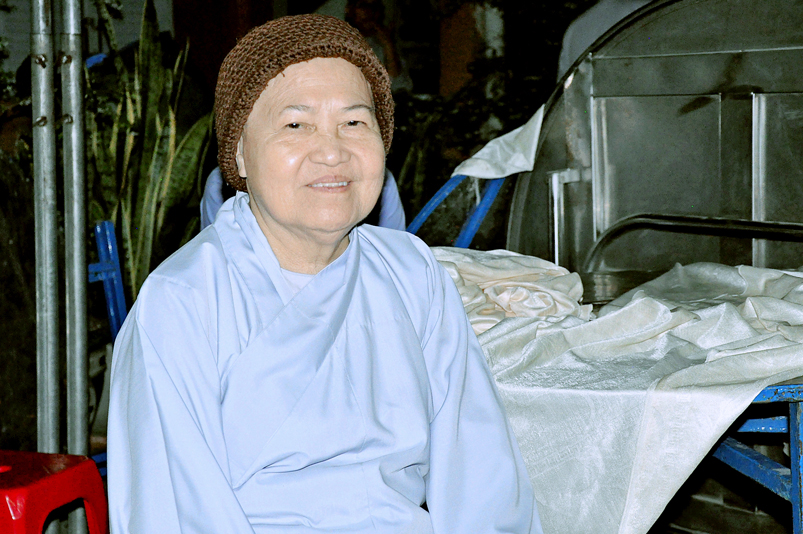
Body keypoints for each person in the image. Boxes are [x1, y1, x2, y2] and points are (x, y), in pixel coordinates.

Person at [107, 14, 541, 534]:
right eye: (296, 125)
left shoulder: (411, 272)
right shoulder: (182, 301)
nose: (333, 151)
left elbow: (481, 477)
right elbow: (175, 512)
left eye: (355, 123)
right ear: (239, 153)